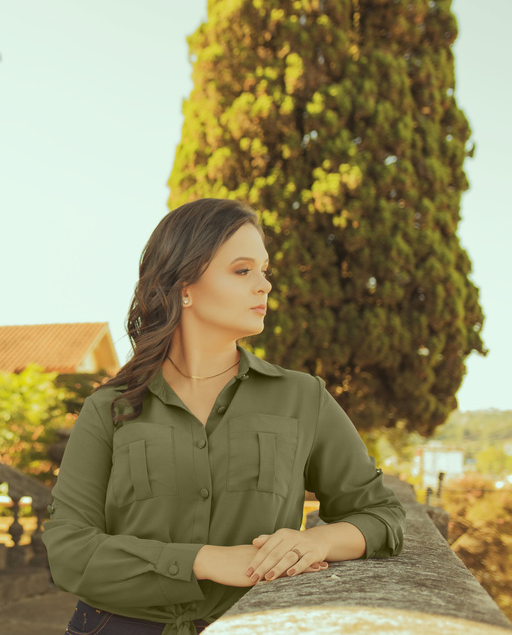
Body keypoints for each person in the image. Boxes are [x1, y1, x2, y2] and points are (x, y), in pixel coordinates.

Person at [43, 198, 405, 635]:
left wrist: (314, 540)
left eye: (264, 270)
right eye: (242, 270)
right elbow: (68, 550)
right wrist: (205, 560)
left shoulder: (303, 397)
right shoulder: (109, 409)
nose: (265, 285)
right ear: (184, 288)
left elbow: (381, 515)